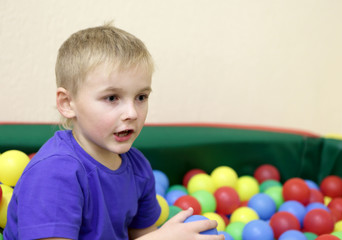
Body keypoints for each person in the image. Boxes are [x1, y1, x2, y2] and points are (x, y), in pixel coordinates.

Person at [4, 24, 224, 240]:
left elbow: (142, 235)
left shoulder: (138, 167)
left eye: (141, 97)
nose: (132, 113)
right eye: (112, 98)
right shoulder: (55, 172)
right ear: (68, 103)